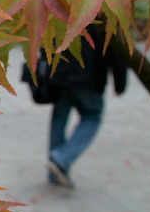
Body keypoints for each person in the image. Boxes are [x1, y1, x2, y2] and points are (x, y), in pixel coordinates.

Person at [46, 21, 127, 189]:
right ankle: (61, 159)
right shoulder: (107, 15)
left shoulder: (66, 5)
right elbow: (117, 52)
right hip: (90, 79)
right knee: (92, 117)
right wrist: (120, 84)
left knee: (59, 120)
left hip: (62, 75)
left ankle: (55, 169)